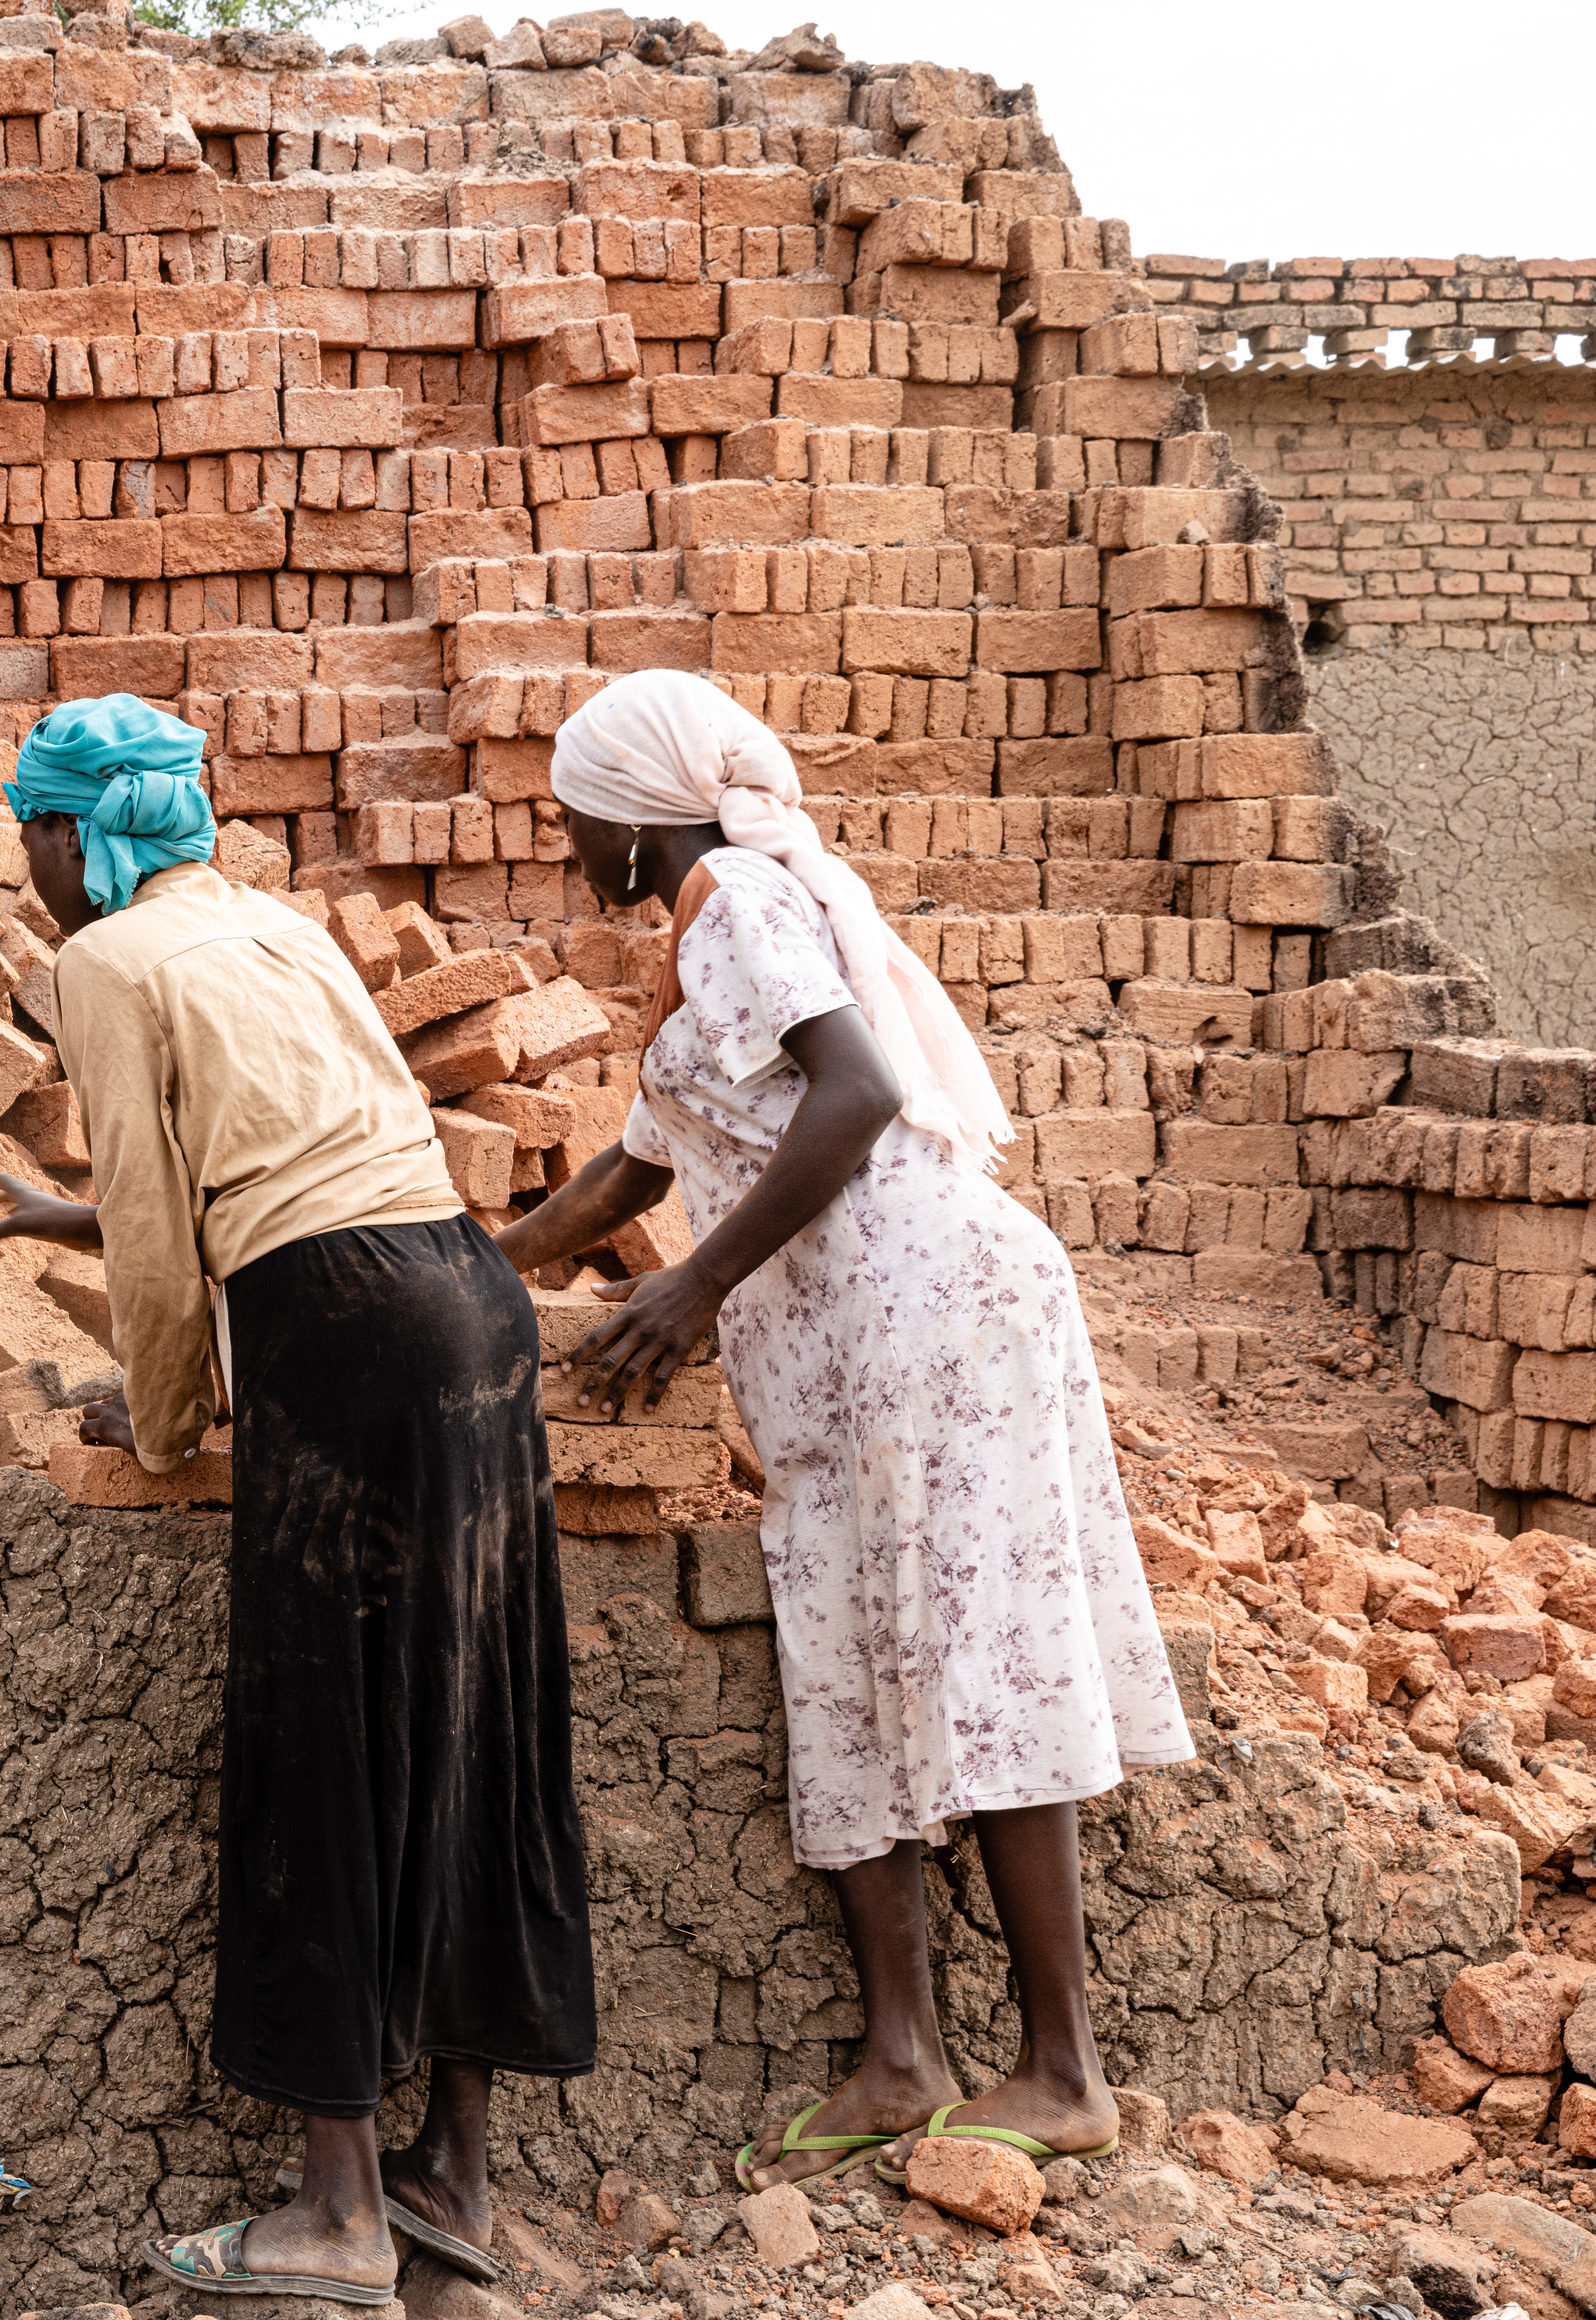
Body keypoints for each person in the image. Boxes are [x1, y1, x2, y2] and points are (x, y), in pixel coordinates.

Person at [492, 669, 1192, 2193]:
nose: (565, 847)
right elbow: (622, 1176)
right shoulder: (704, 945)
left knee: (979, 1646)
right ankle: (901, 2055)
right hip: (845, 1351)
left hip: (931, 1316)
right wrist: (466, 1268)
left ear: (632, 817)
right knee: (848, 1654)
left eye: (569, 817)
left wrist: (694, 1284)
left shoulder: (739, 893)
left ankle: (1064, 2070)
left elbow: (858, 1094)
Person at [0, 695, 590, 2307]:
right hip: (471, 1302)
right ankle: (451, 2173)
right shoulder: (278, 926)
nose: (30, 872)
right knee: (471, 1725)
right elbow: (341, 1147)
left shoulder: (101, 962)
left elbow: (164, 1243)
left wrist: (166, 1421)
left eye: (29, 839)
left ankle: (332, 2208)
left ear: (69, 836)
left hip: (343, 1330)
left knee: (321, 1734)